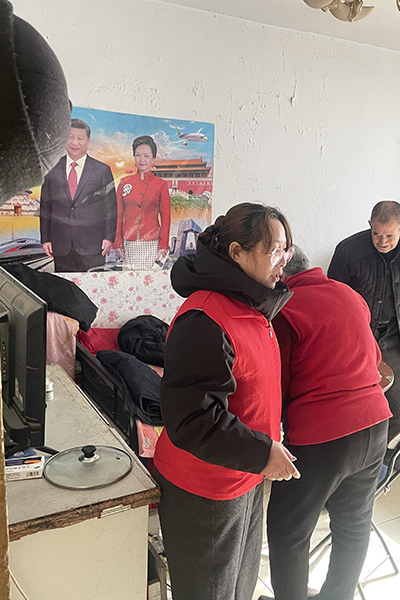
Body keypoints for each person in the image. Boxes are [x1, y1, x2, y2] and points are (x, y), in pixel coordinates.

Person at [152, 203, 301, 600]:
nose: (283, 261)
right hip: (205, 487)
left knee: (239, 586)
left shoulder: (252, 306)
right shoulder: (205, 319)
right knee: (210, 591)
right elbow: (193, 419)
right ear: (237, 252)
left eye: (285, 250)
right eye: (274, 250)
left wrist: (263, 451)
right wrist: (262, 451)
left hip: (244, 474)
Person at [263, 247, 392, 600]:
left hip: (323, 437)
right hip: (375, 423)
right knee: (353, 524)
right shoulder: (348, 294)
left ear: (281, 274)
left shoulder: (285, 309)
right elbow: (374, 359)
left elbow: (278, 385)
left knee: (289, 530)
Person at [328, 200, 400, 447]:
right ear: (369, 225)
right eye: (376, 234)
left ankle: (392, 457)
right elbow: (333, 298)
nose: (382, 241)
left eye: (389, 235)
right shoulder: (348, 250)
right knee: (356, 401)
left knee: (399, 404)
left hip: (397, 336)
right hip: (359, 337)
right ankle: (360, 457)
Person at [39, 119, 117, 272]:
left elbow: (110, 208)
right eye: (70, 137)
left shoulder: (102, 170)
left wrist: (109, 237)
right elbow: (46, 207)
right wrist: (46, 239)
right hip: (61, 244)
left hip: (93, 245)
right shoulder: (51, 168)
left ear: (88, 141)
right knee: (64, 285)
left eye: (80, 138)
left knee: (93, 284)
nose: (75, 142)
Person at [114, 135, 171, 270]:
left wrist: (163, 245)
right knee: (129, 278)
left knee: (150, 279)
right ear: (134, 157)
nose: (142, 159)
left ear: (153, 158)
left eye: (146, 156)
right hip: (128, 242)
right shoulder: (124, 182)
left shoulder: (160, 185)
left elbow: (166, 217)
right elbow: (118, 215)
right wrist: (117, 241)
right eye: (138, 155)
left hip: (152, 242)